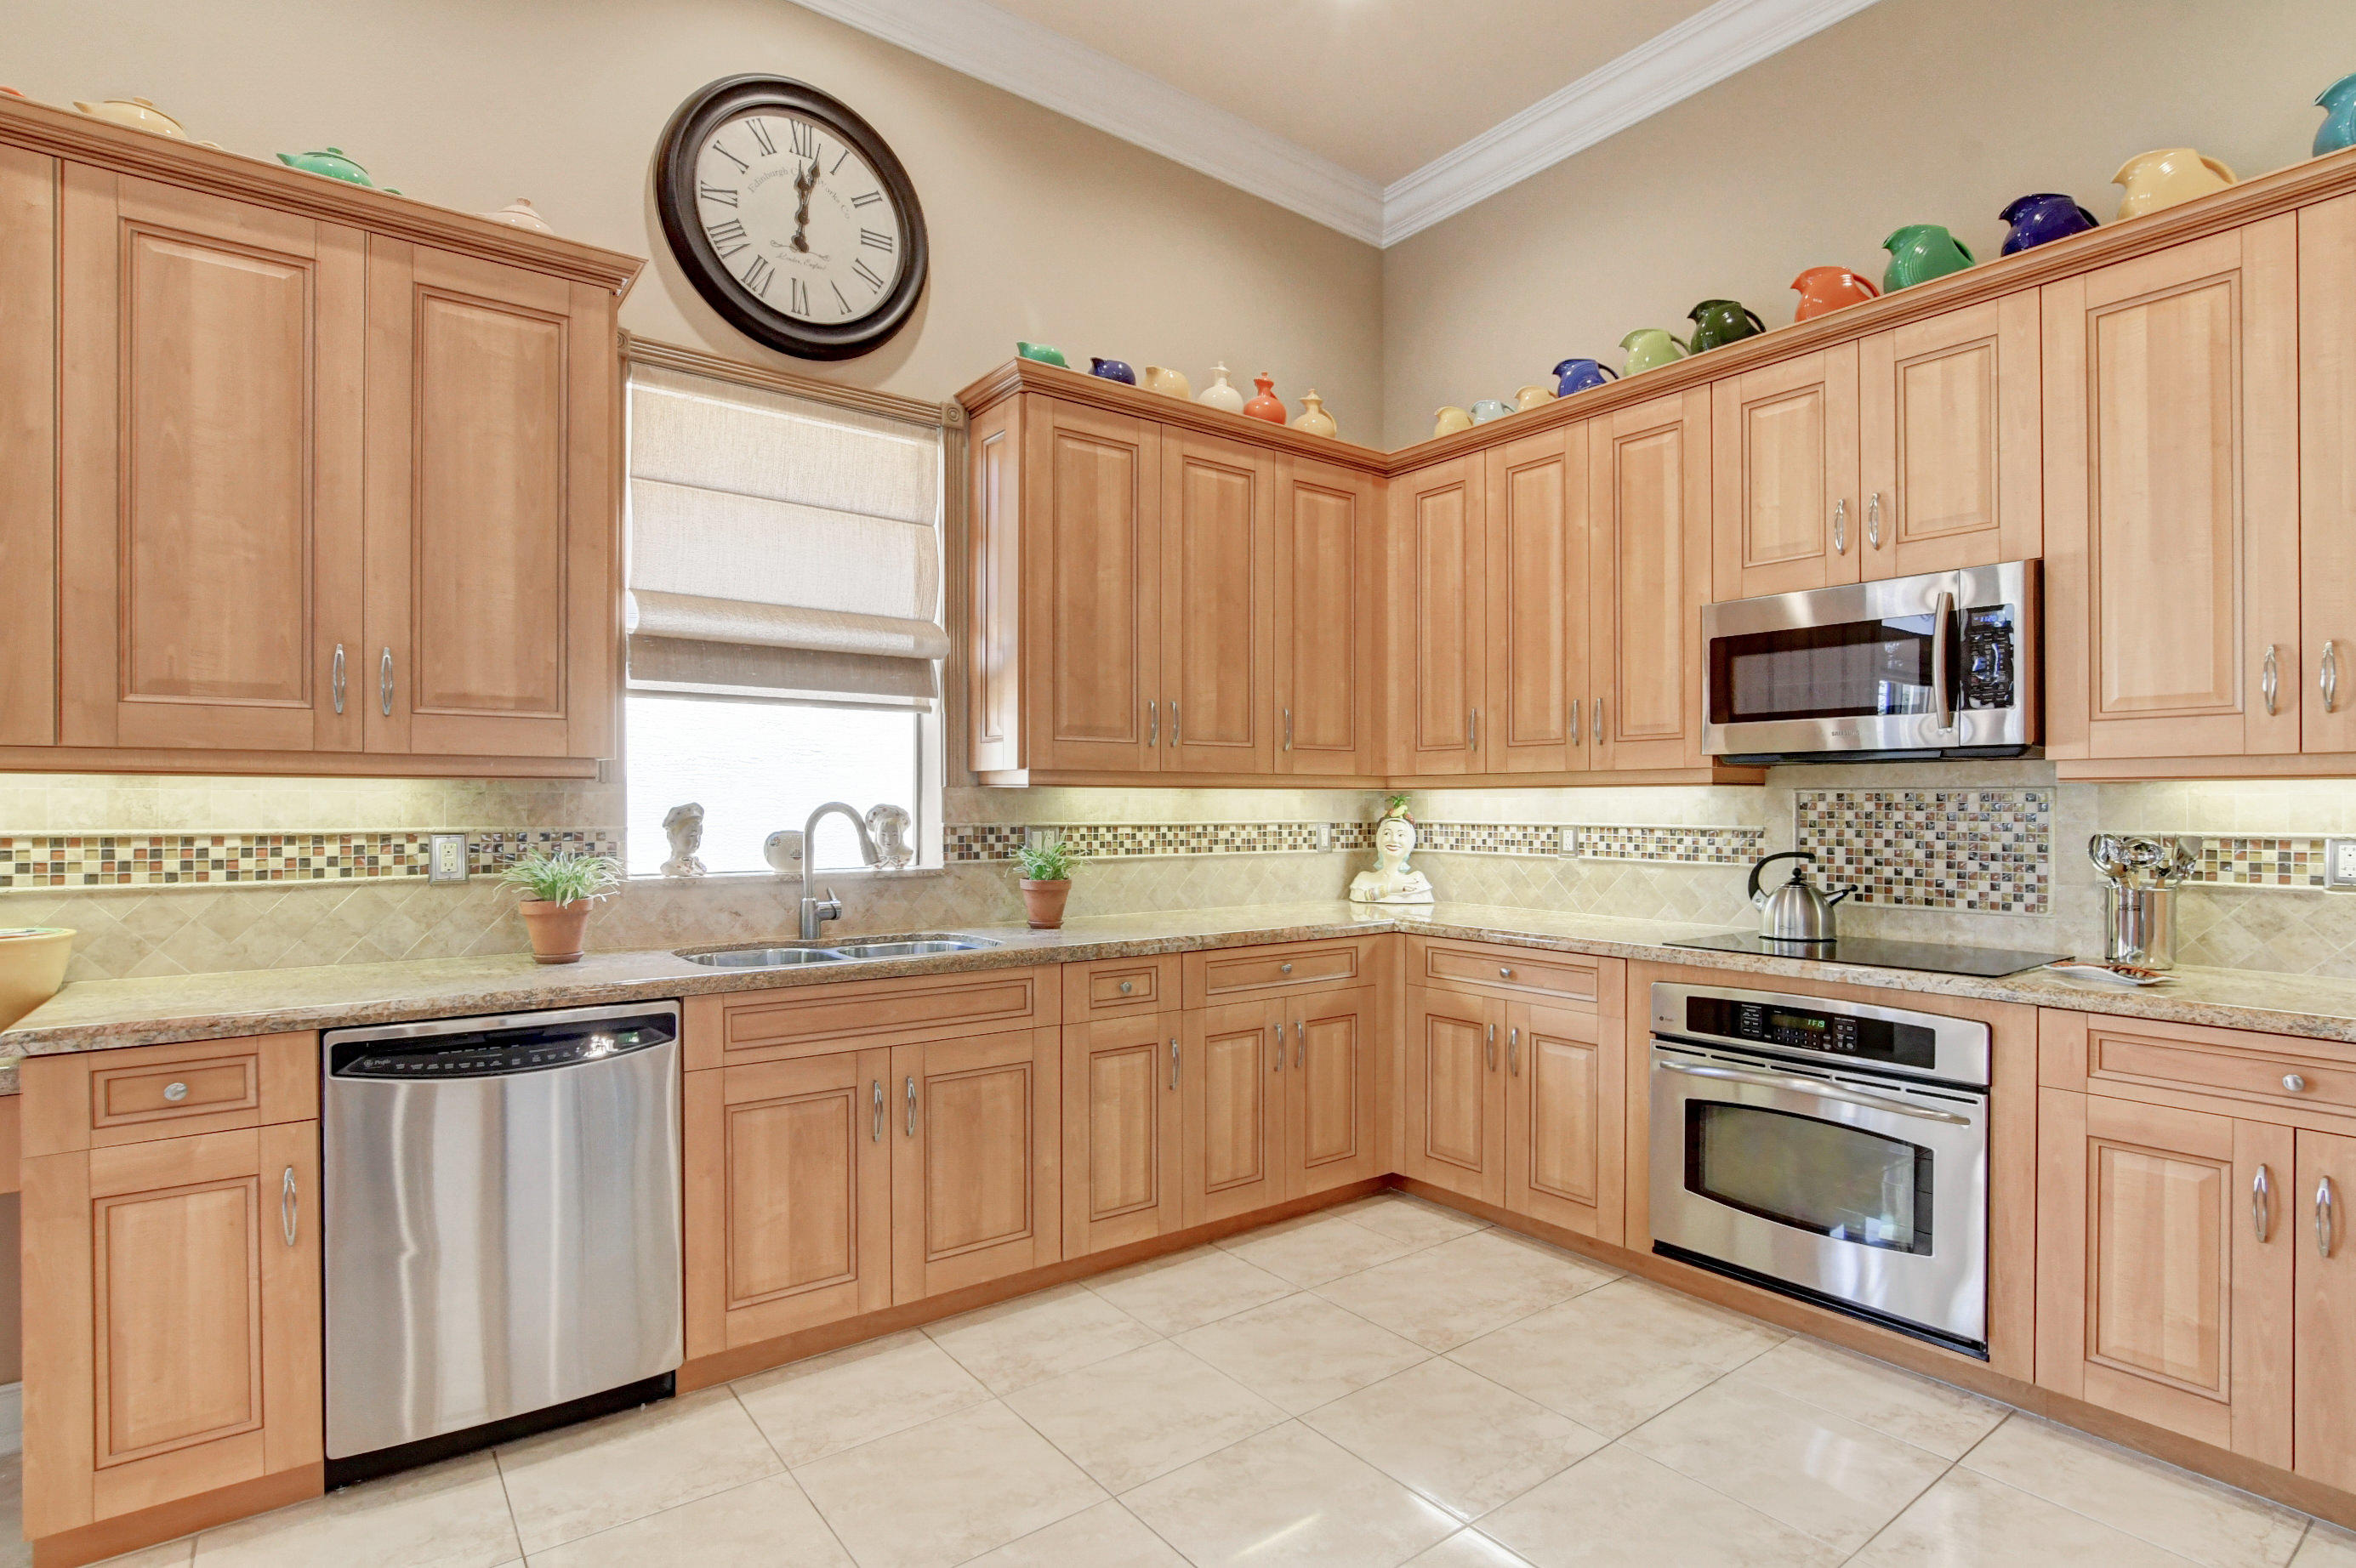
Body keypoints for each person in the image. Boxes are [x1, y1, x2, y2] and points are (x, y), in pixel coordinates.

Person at [1349, 810, 1435, 905]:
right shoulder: (1364, 879)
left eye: (1401, 835)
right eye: (1387, 834)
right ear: (1379, 841)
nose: (1394, 839)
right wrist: (1389, 889)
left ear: (1410, 843)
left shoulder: (1416, 880)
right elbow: (1359, 897)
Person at [659, 802, 707, 878]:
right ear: (672, 837)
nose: (696, 840)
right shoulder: (669, 867)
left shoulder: (698, 866)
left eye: (699, 835)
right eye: (691, 835)